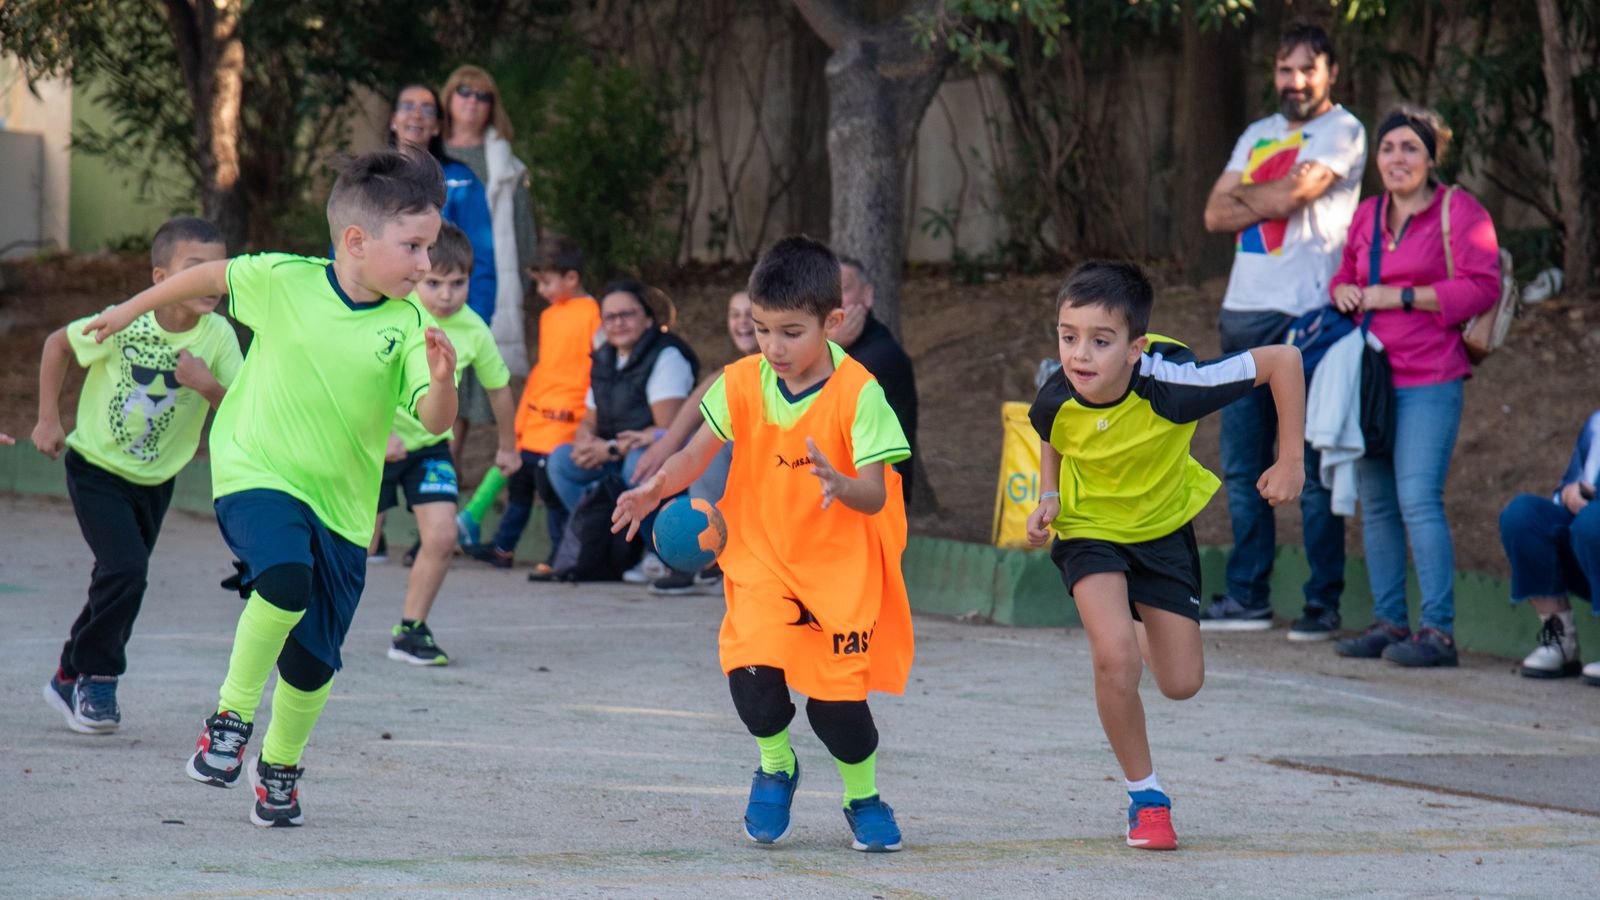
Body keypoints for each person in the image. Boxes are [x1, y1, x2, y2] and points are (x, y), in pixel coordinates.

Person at [80, 148, 459, 827]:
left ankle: (279, 765)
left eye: (429, 248)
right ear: (356, 241)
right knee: (283, 579)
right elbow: (205, 278)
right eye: (414, 247)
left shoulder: (406, 325)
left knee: (313, 662)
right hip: (255, 469)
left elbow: (434, 417)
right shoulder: (282, 279)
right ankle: (227, 722)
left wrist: (446, 379)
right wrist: (124, 310)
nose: (426, 265)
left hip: (343, 508)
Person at [613, 236, 914, 853]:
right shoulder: (742, 381)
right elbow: (698, 450)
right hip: (761, 561)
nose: (772, 347)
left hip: (838, 573)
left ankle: (864, 797)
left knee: (838, 715)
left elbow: (877, 495)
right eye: (761, 329)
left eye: (790, 332)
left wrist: (841, 483)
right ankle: (776, 765)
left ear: (832, 324)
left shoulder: (861, 393)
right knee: (752, 679)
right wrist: (653, 486)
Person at [1025, 261, 1306, 851]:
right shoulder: (1058, 391)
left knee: (1181, 682)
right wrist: (1049, 494)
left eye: (1101, 341)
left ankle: (1128, 617)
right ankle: (1146, 799)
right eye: (1067, 336)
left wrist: (1290, 460)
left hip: (1160, 530)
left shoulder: (1176, 386)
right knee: (1116, 661)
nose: (1080, 354)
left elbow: (1285, 360)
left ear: (1135, 348)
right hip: (1089, 528)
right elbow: (1051, 431)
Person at [34, 217, 243, 734]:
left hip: (157, 481)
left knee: (117, 578)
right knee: (126, 570)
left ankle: (67, 673)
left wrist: (207, 385)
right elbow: (57, 344)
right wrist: (47, 418)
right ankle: (98, 678)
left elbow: (243, 407)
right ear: (160, 277)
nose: (210, 281)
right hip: (97, 468)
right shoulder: (127, 320)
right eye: (195, 269)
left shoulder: (218, 336)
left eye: (217, 270)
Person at [1201, 23, 1365, 639]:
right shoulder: (1258, 133)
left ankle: (1322, 604)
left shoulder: (1344, 130)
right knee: (1243, 468)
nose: (1294, 81)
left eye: (1307, 69)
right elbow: (1214, 214)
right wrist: (1270, 197)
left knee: (1313, 464)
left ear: (1330, 73)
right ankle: (1247, 597)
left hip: (1309, 319)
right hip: (1242, 314)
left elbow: (1296, 193)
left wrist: (1254, 192)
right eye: (1284, 69)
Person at [1329, 107, 1501, 668]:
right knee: (1376, 504)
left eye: (1409, 148)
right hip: (1372, 377)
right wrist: (1346, 293)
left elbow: (1482, 287)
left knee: (1417, 499)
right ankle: (1389, 622)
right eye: (1388, 149)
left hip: (1431, 376)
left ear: (1430, 158)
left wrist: (1402, 296)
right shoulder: (1368, 215)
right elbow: (1345, 275)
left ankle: (1439, 632)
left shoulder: (1459, 211)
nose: (1397, 159)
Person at [370, 223, 520, 666]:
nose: (447, 294)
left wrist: (508, 446)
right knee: (358, 543)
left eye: (459, 283)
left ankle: (411, 630)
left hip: (431, 446)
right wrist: (380, 435)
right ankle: (299, 620)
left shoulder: (474, 329)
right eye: (435, 283)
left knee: (441, 535)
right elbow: (365, 378)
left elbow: (499, 388)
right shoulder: (395, 312)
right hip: (374, 441)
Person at [546, 281, 698, 582]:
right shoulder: (603, 358)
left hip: (661, 456)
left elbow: (668, 431)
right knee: (561, 462)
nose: (618, 323)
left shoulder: (666, 356)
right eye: (610, 317)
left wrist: (611, 448)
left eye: (627, 314)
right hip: (613, 454)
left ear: (648, 317)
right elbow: (589, 420)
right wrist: (584, 442)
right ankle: (608, 545)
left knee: (639, 464)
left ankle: (660, 552)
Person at [464, 235, 600, 569]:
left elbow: (596, 370)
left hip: (565, 421)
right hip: (536, 417)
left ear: (571, 278)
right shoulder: (549, 316)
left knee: (551, 491)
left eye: (546, 282)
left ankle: (559, 554)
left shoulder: (593, 313)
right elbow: (545, 368)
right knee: (520, 487)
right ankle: (503, 548)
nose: (541, 290)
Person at [632, 289, 760, 595]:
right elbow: (704, 395)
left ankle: (711, 556)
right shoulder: (737, 370)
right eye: (735, 314)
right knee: (693, 444)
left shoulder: (790, 365)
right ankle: (702, 557)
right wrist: (664, 448)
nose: (743, 323)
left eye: (750, 315)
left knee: (716, 446)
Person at [440, 65, 535, 468]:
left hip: (480, 278)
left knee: (466, 369)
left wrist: (526, 275)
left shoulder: (504, 162)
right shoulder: (431, 151)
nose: (473, 102)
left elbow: (521, 225)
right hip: (427, 273)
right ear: (448, 97)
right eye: (465, 92)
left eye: (483, 96)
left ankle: (449, 462)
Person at [388, 84, 498, 364]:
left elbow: (481, 254)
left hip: (445, 322)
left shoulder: (461, 179)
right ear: (392, 119)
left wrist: (477, 320)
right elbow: (345, 248)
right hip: (383, 316)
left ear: (437, 126)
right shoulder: (372, 178)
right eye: (407, 106)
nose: (416, 114)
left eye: (427, 109)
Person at [1500, 411, 1600, 683]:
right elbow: (1568, 489)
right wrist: (1568, 494)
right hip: (1588, 548)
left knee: (1593, 521)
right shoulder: (1596, 423)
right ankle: (1559, 640)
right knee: (1522, 515)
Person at [831, 256, 918, 503]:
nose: (833, 300)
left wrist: (829, 346)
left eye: (844, 289)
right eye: (826, 290)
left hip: (876, 494)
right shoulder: (826, 350)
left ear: (867, 296)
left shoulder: (881, 356)